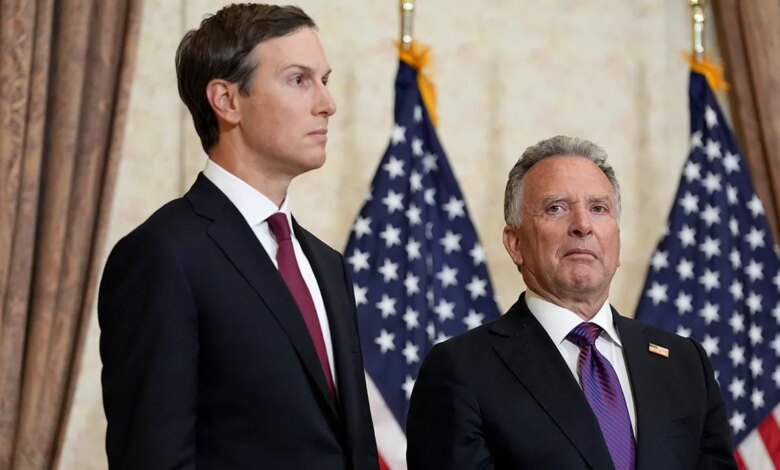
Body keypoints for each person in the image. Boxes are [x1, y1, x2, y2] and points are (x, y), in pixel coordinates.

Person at [98, 4, 379, 468]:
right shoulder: (161, 256)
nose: (327, 103)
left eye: (324, 80)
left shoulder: (328, 265)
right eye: (298, 79)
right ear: (227, 101)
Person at [406, 135, 737, 469]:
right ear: (516, 243)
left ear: (617, 240)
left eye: (598, 209)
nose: (582, 226)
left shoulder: (684, 363)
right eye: (556, 208)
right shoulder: (461, 369)